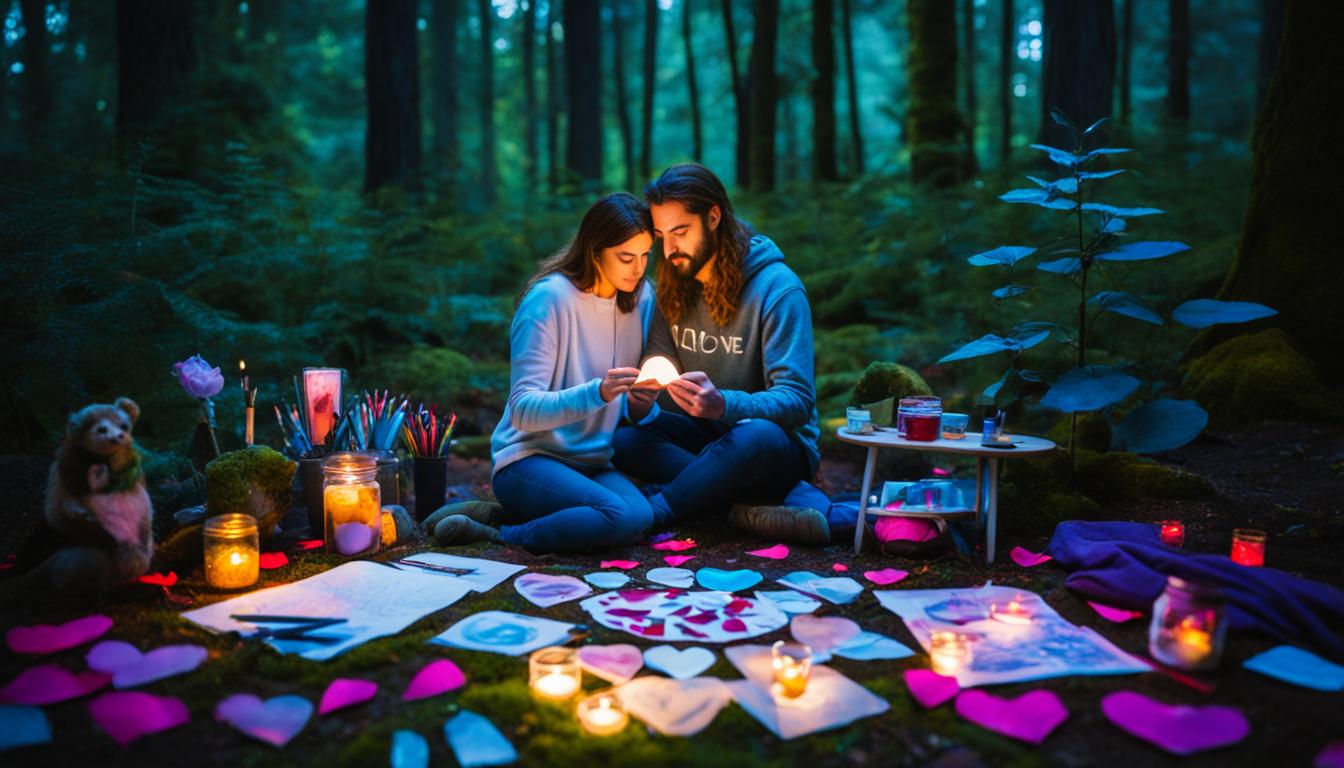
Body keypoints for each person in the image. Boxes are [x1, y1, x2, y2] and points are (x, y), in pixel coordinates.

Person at [612, 164, 830, 544]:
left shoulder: (778, 289)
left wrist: (722, 405)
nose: (669, 250)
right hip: (707, 439)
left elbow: (796, 401)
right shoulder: (673, 284)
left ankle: (657, 510)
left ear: (713, 217)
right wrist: (640, 404)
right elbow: (656, 377)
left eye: (680, 232)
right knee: (621, 439)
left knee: (754, 436)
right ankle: (742, 508)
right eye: (661, 235)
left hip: (772, 445)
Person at [431, 193, 656, 552]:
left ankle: (502, 517)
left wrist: (643, 403)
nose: (638, 268)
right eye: (626, 257)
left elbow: (628, 410)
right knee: (621, 518)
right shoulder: (549, 300)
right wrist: (598, 392)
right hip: (528, 460)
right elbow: (523, 409)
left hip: (592, 462)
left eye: (646, 255)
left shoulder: (641, 299)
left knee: (642, 517)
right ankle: (501, 534)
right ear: (595, 251)